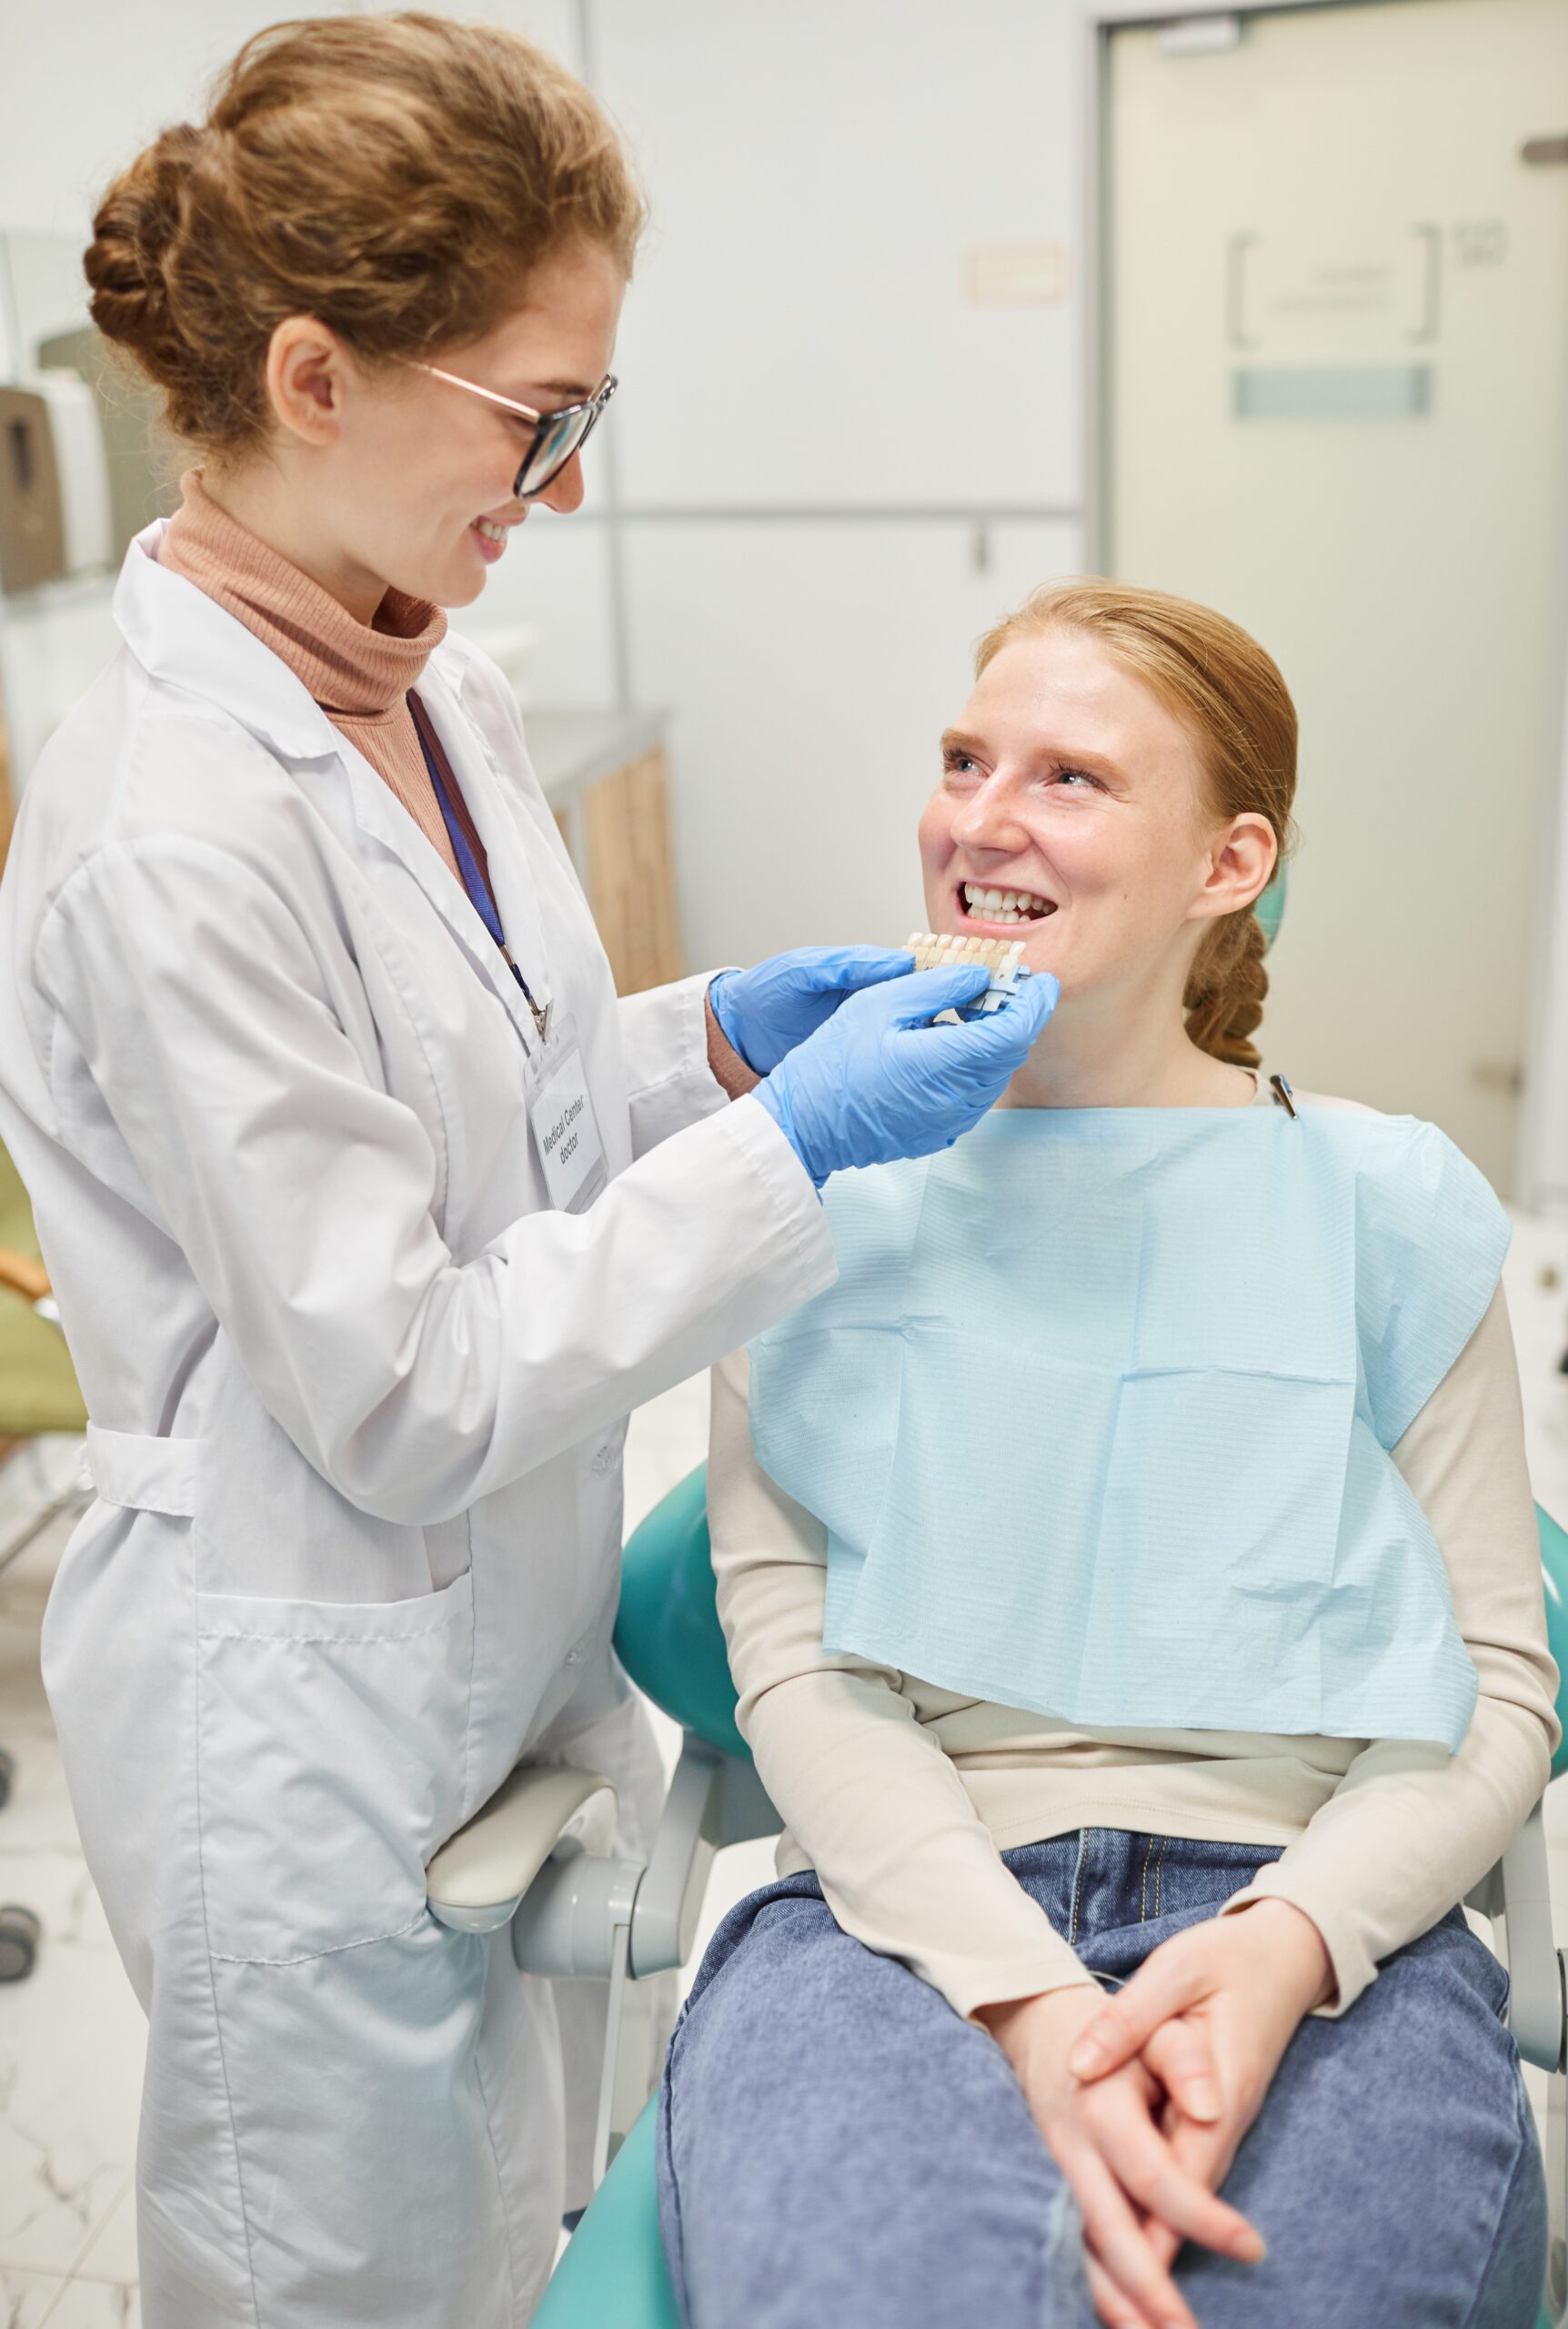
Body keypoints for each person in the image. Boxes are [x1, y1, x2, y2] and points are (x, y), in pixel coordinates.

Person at [0, 19, 1056, 2327]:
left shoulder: (426, 680)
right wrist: (791, 1147)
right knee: (346, 2278)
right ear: (311, 375)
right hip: (305, 1687)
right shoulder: (169, 828)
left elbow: (496, 1112)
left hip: (493, 1645)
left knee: (526, 2236)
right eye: (533, 416)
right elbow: (403, 1383)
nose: (559, 482)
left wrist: (706, 1042)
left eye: (591, 417)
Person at [660, 580, 1559, 2329]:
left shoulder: (1389, 1209)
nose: (980, 822)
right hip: (896, 1923)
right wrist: (1026, 1999)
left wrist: (1282, 1948)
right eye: (963, 758)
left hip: (1318, 1925)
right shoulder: (810, 1194)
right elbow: (793, 1677)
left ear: (1231, 865)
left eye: (1069, 778)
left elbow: (1500, 1689)